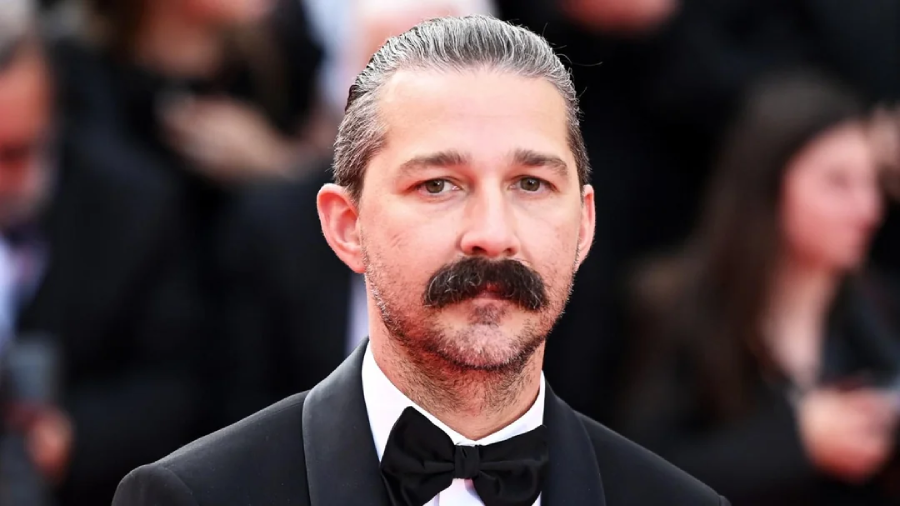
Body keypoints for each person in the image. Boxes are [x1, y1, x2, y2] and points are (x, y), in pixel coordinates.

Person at [113, 15, 729, 506]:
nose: (493, 235)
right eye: (438, 185)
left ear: (584, 226)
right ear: (347, 227)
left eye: (531, 184)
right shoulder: (196, 495)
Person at [617, 70, 900, 505]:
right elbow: (635, 473)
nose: (869, 209)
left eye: (871, 183)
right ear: (769, 186)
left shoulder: (875, 310)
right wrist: (794, 445)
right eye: (838, 183)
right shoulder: (672, 309)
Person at [0, 3, 209, 504]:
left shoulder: (132, 207)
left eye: (18, 152)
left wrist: (73, 436)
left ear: (52, 104)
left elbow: (181, 387)